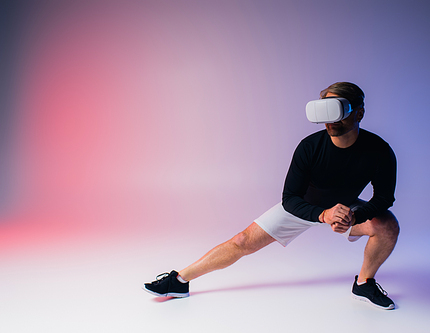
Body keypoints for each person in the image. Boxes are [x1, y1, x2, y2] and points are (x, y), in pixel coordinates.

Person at [144, 82, 399, 310]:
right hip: (304, 207)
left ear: (359, 113)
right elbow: (290, 198)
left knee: (387, 225)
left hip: (345, 210)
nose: (331, 121)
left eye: (338, 111)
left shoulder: (379, 151)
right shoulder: (309, 147)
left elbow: (384, 197)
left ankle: (364, 283)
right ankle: (179, 281)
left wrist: (354, 216)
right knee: (242, 240)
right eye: (325, 112)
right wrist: (322, 215)